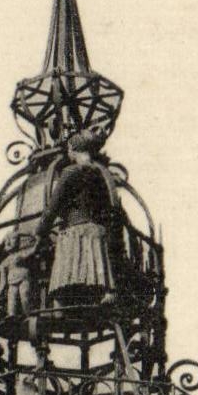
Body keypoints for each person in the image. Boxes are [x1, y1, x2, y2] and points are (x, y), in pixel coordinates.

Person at [34, 130, 117, 309]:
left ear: (74, 149)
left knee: (61, 288)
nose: (68, 154)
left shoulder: (70, 171)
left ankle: (59, 307)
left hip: (75, 233)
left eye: (69, 150)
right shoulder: (100, 174)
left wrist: (40, 231)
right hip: (96, 233)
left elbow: (52, 207)